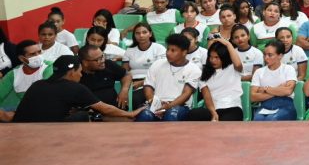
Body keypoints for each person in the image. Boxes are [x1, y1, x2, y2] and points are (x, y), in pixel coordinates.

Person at [13, 55, 141, 122]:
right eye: (79, 72)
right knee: (83, 116)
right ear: (71, 72)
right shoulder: (75, 88)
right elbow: (106, 109)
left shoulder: (37, 84)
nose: (80, 75)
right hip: (47, 134)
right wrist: (130, 113)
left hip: (18, 130)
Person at [135, 34, 201, 122]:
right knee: (145, 115)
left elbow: (186, 94)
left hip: (180, 106)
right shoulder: (157, 64)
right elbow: (148, 86)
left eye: (173, 50)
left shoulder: (194, 69)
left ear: (184, 52)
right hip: (155, 104)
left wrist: (168, 107)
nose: (168, 53)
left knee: (171, 116)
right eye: (168, 49)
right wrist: (154, 103)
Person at [190, 37, 245, 121]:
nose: (212, 60)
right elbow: (206, 95)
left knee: (224, 123)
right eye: (211, 57)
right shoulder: (204, 72)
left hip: (232, 108)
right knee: (193, 114)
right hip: (213, 109)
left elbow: (238, 64)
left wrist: (228, 44)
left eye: (217, 57)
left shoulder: (233, 68)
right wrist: (213, 113)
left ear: (224, 57)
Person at [249, 42, 298, 121]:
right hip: (265, 105)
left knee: (272, 119)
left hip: (285, 105)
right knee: (257, 120)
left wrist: (265, 89)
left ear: (280, 56)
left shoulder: (288, 69)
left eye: (270, 55)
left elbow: (288, 91)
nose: (266, 58)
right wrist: (278, 90)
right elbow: (253, 97)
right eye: (264, 54)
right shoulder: (259, 72)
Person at [78, 44, 133, 110]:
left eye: (102, 56)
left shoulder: (108, 65)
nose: (103, 60)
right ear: (85, 63)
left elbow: (127, 75)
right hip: (93, 113)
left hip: (115, 108)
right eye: (98, 59)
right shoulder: (77, 75)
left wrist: (124, 90)